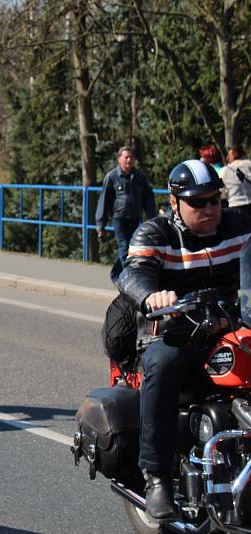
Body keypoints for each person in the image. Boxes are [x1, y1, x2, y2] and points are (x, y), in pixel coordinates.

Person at [117, 159, 251, 520]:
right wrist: (152, 296)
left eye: (214, 200)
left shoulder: (239, 226)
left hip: (227, 326)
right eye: (198, 202)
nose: (209, 209)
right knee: (163, 363)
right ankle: (156, 476)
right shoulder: (155, 234)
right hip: (174, 331)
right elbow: (131, 275)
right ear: (175, 203)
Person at [95, 146, 157, 284]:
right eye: (126, 157)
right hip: (119, 218)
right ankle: (131, 279)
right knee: (124, 247)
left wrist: (153, 219)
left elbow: (148, 198)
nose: (129, 160)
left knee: (132, 248)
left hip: (135, 217)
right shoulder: (112, 177)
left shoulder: (139, 177)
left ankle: (116, 274)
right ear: (119, 159)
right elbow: (104, 200)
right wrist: (100, 223)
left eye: (131, 157)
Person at [219, 145, 251, 218]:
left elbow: (222, 193)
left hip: (235, 206)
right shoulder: (249, 164)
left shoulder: (224, 170)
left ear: (232, 155)